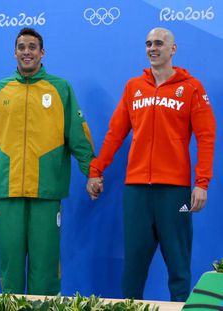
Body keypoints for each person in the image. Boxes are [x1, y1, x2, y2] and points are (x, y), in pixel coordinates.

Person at [0, 27, 96, 295]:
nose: (27, 52)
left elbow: (79, 139)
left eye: (32, 47)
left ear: (42, 52)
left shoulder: (61, 89)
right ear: (14, 52)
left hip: (47, 192)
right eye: (22, 47)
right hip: (9, 189)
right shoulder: (0, 90)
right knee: (10, 265)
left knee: (46, 268)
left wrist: (93, 172)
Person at [87, 27, 216, 301]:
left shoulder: (191, 87)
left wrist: (201, 182)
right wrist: (96, 169)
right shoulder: (134, 87)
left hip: (174, 190)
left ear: (173, 49)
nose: (152, 48)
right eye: (148, 43)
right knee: (132, 267)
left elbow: (206, 137)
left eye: (159, 43)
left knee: (179, 267)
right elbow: (115, 133)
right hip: (136, 191)